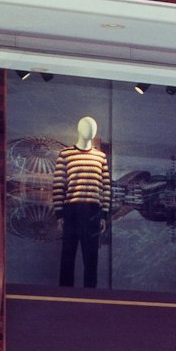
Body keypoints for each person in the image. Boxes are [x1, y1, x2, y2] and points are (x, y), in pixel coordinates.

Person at [54, 116, 111, 288]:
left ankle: (90, 296)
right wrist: (59, 214)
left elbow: (106, 187)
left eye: (93, 128)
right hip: (72, 209)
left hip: (93, 211)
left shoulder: (100, 157)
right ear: (79, 129)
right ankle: (64, 294)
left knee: (91, 257)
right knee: (68, 256)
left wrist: (104, 214)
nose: (90, 131)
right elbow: (58, 185)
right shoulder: (66, 155)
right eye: (87, 127)